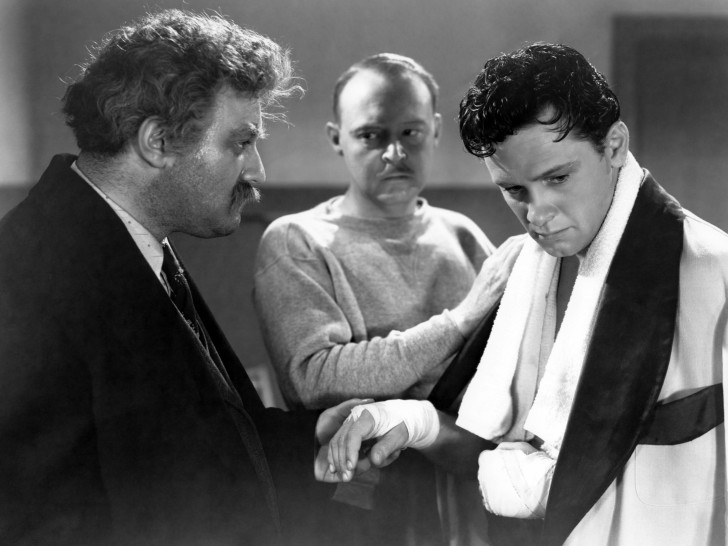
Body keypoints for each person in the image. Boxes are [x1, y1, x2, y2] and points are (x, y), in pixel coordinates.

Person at [327, 42, 728, 546]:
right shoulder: (522, 267)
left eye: (557, 178)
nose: (537, 215)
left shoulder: (713, 270)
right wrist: (410, 421)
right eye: (514, 190)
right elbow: (499, 455)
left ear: (614, 146)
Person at [0, 9, 362, 546]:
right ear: (158, 142)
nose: (257, 170)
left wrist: (311, 437)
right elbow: (38, 520)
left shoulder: (133, 239)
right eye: (240, 143)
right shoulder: (25, 276)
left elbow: (182, 444)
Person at [253, 53, 521, 545]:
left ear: (435, 131)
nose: (395, 153)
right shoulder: (298, 240)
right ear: (337, 137)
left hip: (470, 496)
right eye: (371, 135)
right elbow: (315, 380)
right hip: (359, 511)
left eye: (410, 133)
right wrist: (458, 322)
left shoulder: (461, 234)